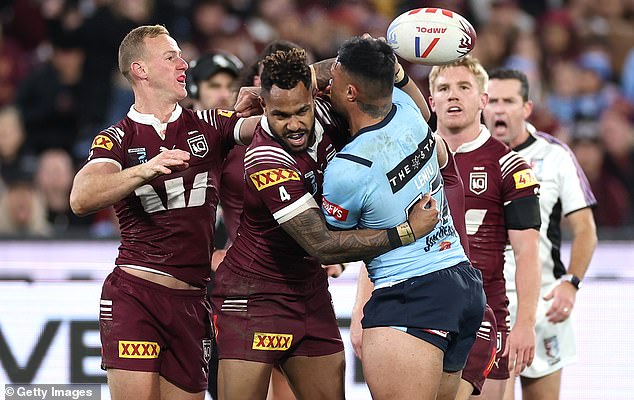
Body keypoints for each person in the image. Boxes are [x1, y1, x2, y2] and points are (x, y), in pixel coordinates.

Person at [211, 47, 440, 400]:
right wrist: (406, 232)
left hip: (310, 293)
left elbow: (353, 63)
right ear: (264, 110)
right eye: (279, 115)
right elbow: (321, 244)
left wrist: (381, 70)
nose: (294, 124)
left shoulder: (327, 107)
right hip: (253, 298)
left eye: (301, 110)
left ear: (314, 92)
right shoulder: (265, 157)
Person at [69, 25, 260, 400]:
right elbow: (80, 198)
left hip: (192, 300)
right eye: (171, 56)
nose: (184, 63)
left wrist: (280, 95)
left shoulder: (210, 124)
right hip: (136, 297)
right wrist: (144, 169)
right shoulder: (116, 138)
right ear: (140, 69)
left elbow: (273, 127)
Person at [321, 37, 486, 400]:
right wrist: (381, 59)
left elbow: (332, 248)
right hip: (460, 283)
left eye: (332, 78)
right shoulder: (409, 110)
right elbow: (396, 82)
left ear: (350, 91)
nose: (325, 84)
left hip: (410, 296)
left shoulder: (347, 170)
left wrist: (403, 231)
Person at [428, 56, 542, 400]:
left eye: (464, 88)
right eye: (444, 89)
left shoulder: (508, 165)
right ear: (430, 101)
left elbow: (527, 252)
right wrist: (361, 308)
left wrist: (525, 324)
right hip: (419, 309)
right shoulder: (409, 161)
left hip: (485, 313)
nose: (453, 96)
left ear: (483, 99)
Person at [483, 69, 597, 400]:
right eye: (493, 101)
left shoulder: (555, 156)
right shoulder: (470, 153)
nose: (500, 110)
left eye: (509, 101)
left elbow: (586, 228)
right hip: (487, 304)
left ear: (527, 108)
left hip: (541, 304)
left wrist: (571, 283)